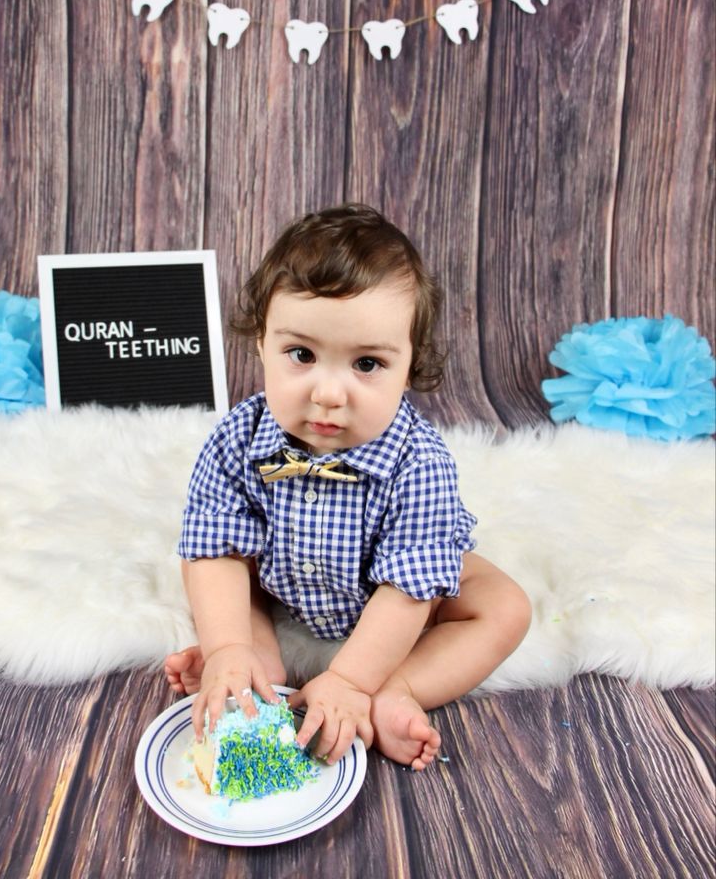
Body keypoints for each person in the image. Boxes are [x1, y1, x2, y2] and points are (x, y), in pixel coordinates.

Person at [165, 204, 531, 771]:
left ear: (409, 367)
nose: (330, 393)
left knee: (503, 607)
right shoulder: (238, 439)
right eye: (302, 355)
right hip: (283, 580)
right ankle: (252, 665)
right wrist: (226, 644)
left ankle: (398, 689)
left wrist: (351, 680)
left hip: (393, 595)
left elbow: (411, 590)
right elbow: (216, 547)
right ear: (262, 342)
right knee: (207, 564)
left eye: (366, 364)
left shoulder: (419, 460)